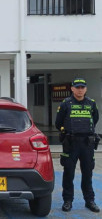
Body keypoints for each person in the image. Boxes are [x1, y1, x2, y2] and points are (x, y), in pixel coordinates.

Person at [55, 78, 100, 213]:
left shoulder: (91, 103)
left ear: (85, 89)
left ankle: (89, 201)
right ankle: (68, 201)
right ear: (72, 89)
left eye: (82, 87)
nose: (80, 90)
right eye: (77, 87)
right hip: (71, 143)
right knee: (69, 172)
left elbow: (95, 119)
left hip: (87, 144)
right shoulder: (65, 103)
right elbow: (58, 123)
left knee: (88, 173)